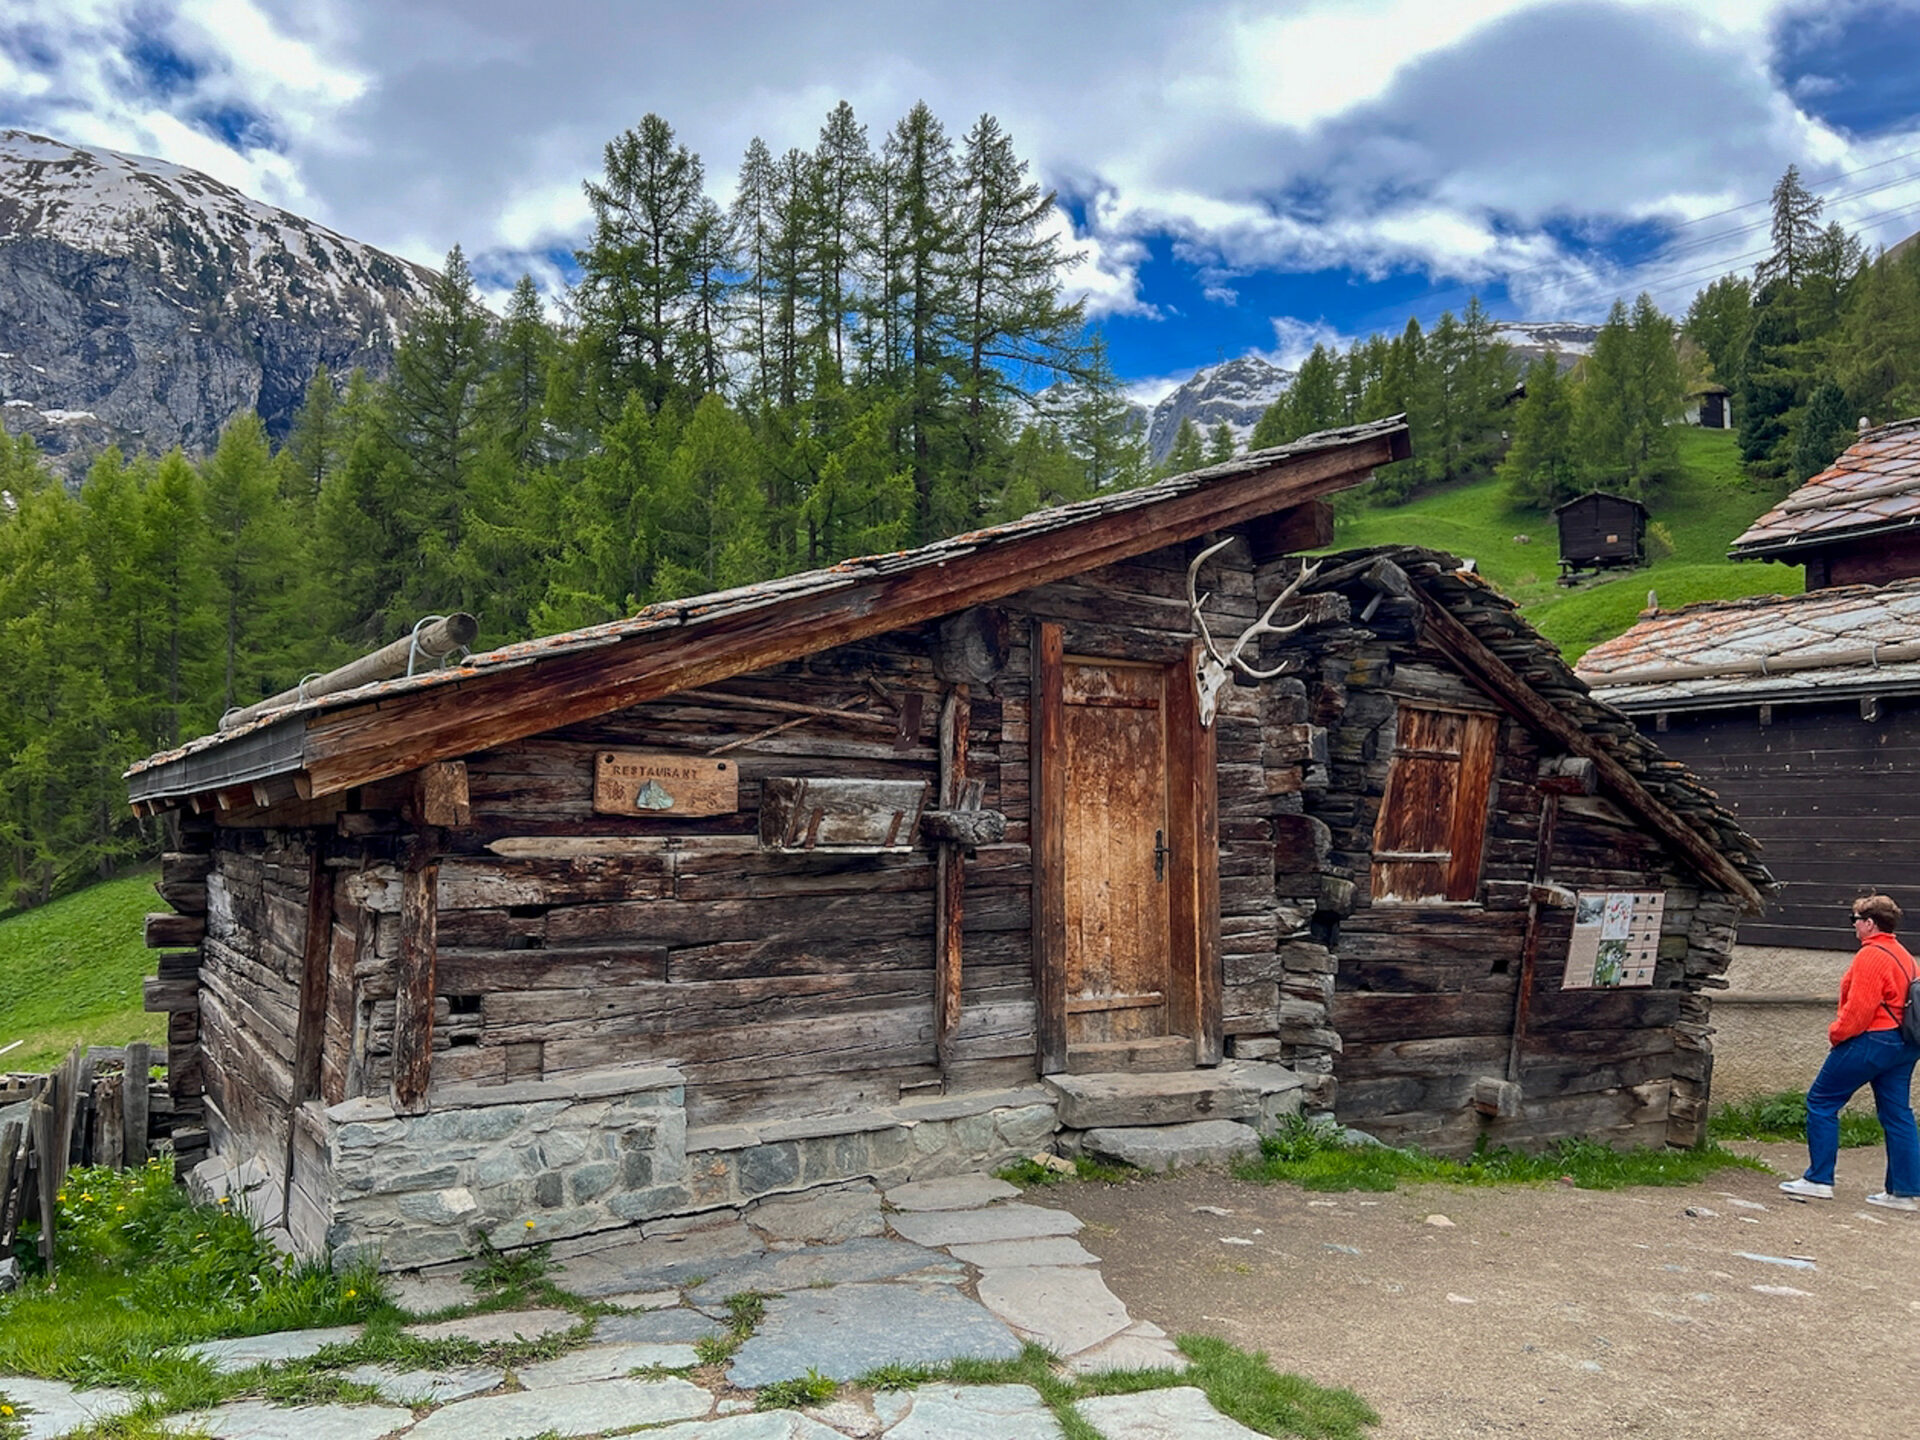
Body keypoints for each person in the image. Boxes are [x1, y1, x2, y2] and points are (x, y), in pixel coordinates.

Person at [1779, 894, 1920, 1210]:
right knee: (1898, 1114)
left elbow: (1859, 1010)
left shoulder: (1871, 956)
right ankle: (1904, 1192)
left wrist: (1836, 1033)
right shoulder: (1905, 955)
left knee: (1821, 1101)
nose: (1853, 925)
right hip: (1905, 1044)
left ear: (1869, 923)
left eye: (1855, 919)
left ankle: (1819, 1180)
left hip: (1873, 1040)